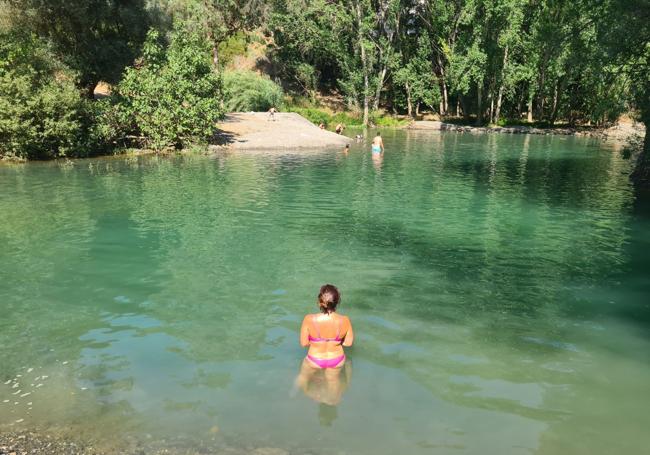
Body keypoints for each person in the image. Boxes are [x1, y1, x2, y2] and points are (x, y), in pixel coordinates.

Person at [300, 284, 353, 369]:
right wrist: (333, 342)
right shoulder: (345, 320)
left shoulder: (309, 319)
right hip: (337, 359)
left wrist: (317, 343)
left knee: (302, 381)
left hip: (314, 359)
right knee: (335, 382)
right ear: (337, 301)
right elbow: (348, 343)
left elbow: (304, 343)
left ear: (320, 301)